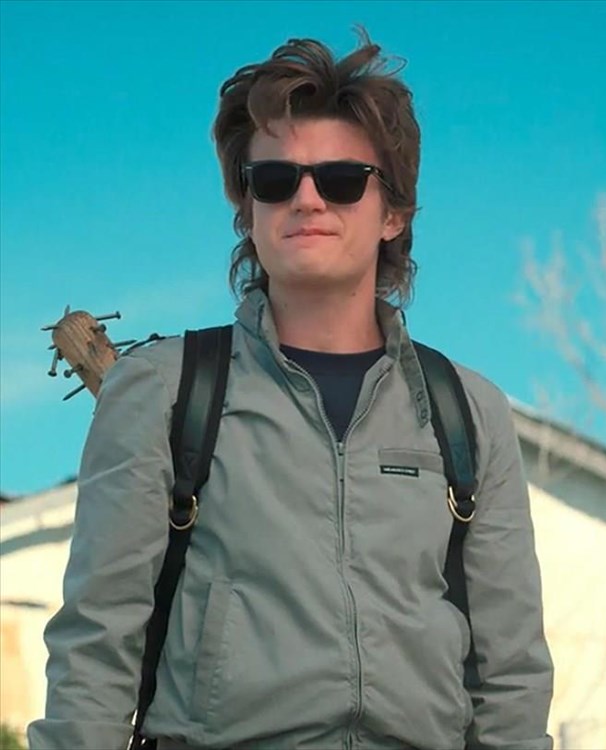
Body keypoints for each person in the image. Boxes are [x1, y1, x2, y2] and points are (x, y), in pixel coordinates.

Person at [28, 28, 553, 750]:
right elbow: (96, 641)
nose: (307, 199)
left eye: (341, 179)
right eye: (275, 180)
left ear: (394, 213)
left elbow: (512, 671)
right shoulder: (164, 393)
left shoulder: (467, 412)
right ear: (248, 208)